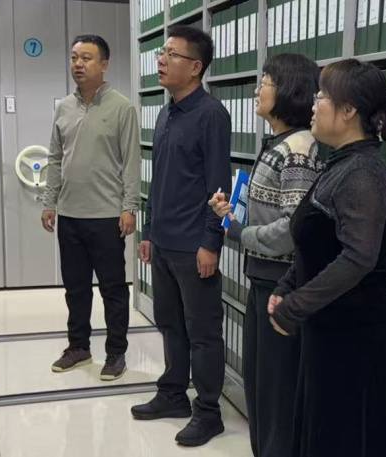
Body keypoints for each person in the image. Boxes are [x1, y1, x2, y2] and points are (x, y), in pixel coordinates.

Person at [266, 59, 386, 456]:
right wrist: (287, 284)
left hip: (352, 339)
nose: (313, 104)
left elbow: (358, 257)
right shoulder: (340, 162)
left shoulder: (364, 172)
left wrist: (294, 307)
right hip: (328, 327)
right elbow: (318, 241)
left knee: (344, 437)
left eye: (322, 96)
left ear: (348, 111)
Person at [208, 53, 322, 457]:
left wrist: (242, 233)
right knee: (260, 387)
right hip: (262, 277)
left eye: (266, 82)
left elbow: (293, 230)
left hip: (281, 285)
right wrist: (231, 215)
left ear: (288, 91)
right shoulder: (278, 143)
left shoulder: (298, 149)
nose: (258, 90)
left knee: (277, 393)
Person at [131, 25, 231, 448]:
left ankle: (208, 412)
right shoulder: (166, 111)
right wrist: (148, 230)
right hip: (164, 242)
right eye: (162, 52)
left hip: (194, 247)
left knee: (203, 331)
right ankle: (173, 394)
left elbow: (219, 186)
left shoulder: (211, 115)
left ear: (195, 67)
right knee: (170, 323)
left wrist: (211, 242)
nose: (161, 60)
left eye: (172, 54)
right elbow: (159, 181)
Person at [41, 35, 140, 382]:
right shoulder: (63, 108)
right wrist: (49, 201)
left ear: (104, 64)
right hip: (70, 215)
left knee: (113, 289)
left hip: (107, 216)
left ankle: (116, 353)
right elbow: (55, 158)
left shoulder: (122, 107)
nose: (78, 64)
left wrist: (130, 207)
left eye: (86, 58)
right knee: (76, 288)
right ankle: (78, 347)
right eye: (74, 58)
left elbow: (131, 162)